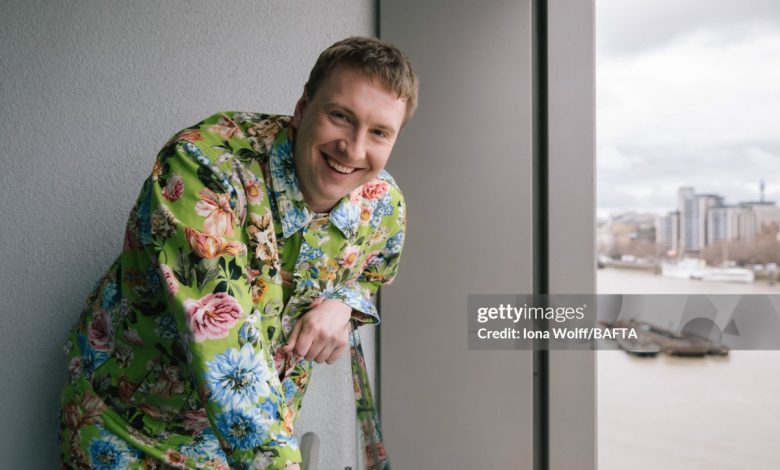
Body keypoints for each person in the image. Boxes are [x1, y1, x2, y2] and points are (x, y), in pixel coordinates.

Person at [58, 36, 418, 470]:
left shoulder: (383, 203)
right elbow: (228, 351)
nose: (354, 149)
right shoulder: (202, 168)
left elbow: (374, 271)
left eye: (379, 132)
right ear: (303, 109)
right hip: (127, 433)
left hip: (253, 445)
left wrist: (344, 303)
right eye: (340, 116)